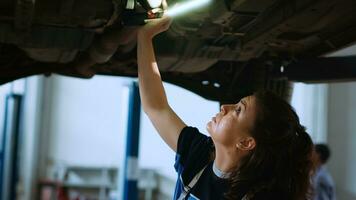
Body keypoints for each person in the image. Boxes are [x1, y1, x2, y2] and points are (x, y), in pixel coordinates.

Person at [137, 16, 314, 200]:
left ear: (246, 143)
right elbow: (156, 107)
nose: (225, 107)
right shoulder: (199, 153)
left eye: (238, 110)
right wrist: (145, 37)